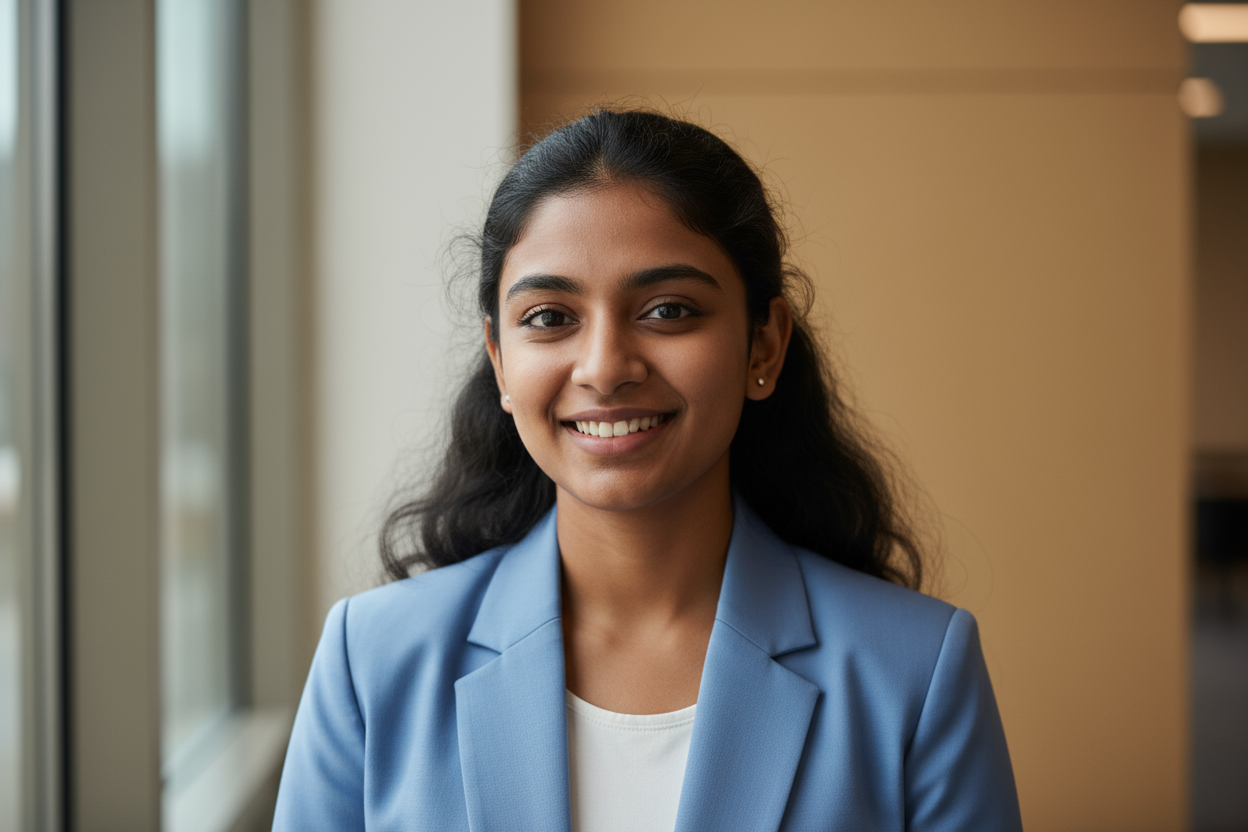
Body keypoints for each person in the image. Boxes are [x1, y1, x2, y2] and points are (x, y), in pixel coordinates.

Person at [271, 109, 1023, 831]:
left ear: (763, 346)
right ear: (500, 359)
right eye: (549, 318)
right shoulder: (371, 661)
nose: (604, 369)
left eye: (668, 310)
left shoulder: (917, 672)